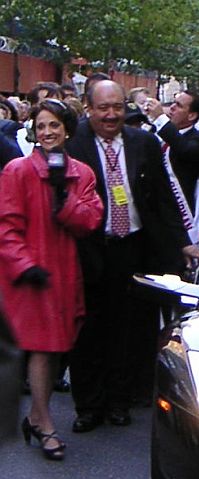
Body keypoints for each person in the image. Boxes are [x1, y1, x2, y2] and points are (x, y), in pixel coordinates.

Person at [65, 80, 199, 432]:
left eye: (117, 106)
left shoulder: (143, 142)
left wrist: (182, 241)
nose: (112, 114)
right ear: (89, 108)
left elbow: (164, 198)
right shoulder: (74, 145)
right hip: (90, 249)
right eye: (103, 108)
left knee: (128, 330)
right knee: (89, 331)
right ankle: (88, 405)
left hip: (135, 247)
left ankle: (120, 401)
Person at [0, 99, 104, 458]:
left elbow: (89, 221)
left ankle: (34, 416)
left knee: (56, 347)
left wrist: (64, 199)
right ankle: (45, 425)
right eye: (41, 126)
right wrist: (24, 265)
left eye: (54, 126)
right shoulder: (17, 170)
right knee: (43, 349)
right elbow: (6, 226)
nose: (47, 133)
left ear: (67, 130)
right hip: (29, 276)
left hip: (64, 274)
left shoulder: (82, 174)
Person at [149, 91, 199, 243]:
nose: (171, 108)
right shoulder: (156, 133)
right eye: (172, 103)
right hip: (156, 213)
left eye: (178, 105)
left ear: (191, 116)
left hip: (182, 216)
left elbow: (184, 149)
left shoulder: (198, 139)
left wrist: (161, 119)